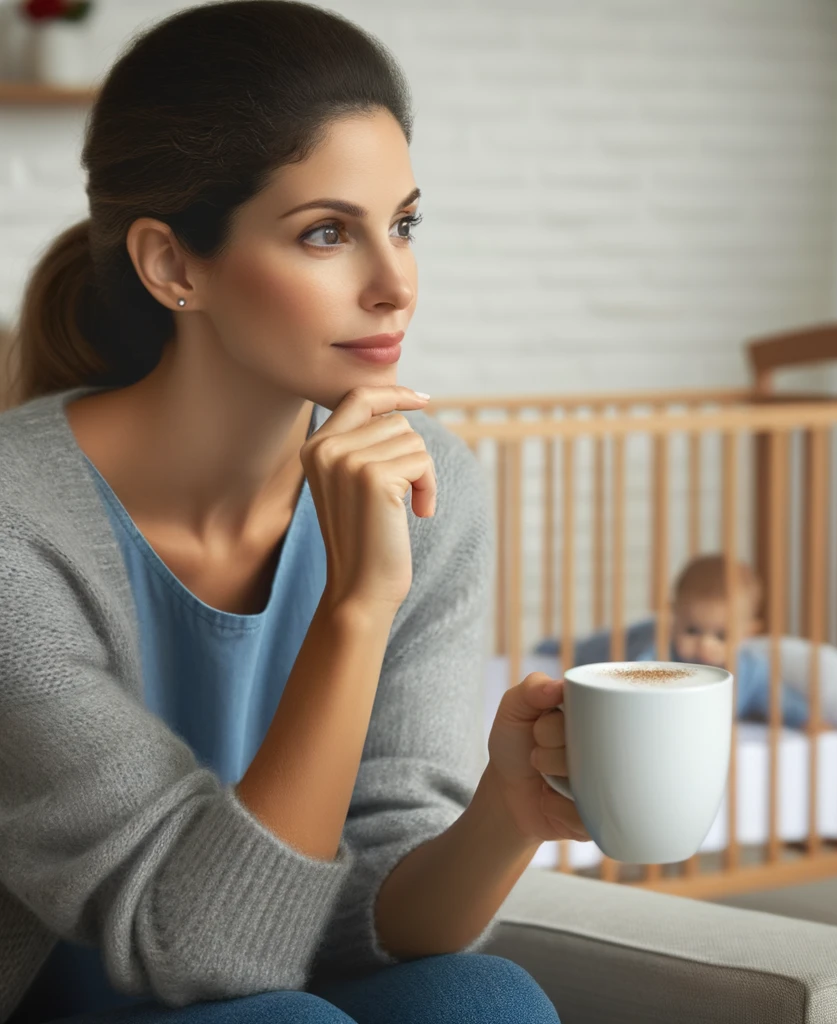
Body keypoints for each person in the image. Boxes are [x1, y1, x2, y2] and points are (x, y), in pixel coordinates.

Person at [0, 3, 581, 1022]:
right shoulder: (15, 528)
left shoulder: (428, 487)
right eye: (326, 233)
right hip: (74, 984)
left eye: (402, 223)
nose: (395, 283)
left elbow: (378, 907)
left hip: (251, 961)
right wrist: (354, 608)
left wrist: (505, 810)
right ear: (174, 266)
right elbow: (200, 953)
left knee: (488, 999)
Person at [633, 554, 809, 727]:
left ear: (747, 634)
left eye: (721, 636)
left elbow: (782, 702)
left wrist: (807, 720)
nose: (705, 644)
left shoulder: (751, 672)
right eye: (692, 630)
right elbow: (632, 682)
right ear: (674, 617)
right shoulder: (660, 656)